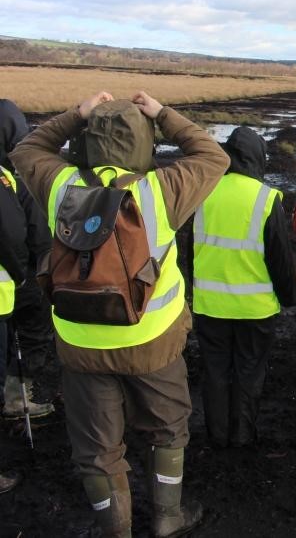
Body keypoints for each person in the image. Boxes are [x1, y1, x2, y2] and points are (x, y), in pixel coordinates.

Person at [11, 91, 229, 537]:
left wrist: (78, 114)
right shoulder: (161, 190)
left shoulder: (60, 186)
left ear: (86, 143)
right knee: (168, 431)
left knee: (96, 448)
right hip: (152, 341)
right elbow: (212, 154)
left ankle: (116, 529)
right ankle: (167, 517)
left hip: (81, 344)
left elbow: (26, 149)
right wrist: (164, 113)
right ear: (144, 142)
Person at [191, 126, 296, 448]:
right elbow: (281, 259)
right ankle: (242, 436)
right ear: (257, 159)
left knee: (215, 372)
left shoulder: (203, 193)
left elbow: (190, 250)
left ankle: (217, 435)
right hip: (255, 311)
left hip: (210, 307)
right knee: (249, 372)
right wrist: (288, 296)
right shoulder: (266, 198)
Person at [0, 99, 55, 419]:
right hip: (22, 274)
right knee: (32, 333)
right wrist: (29, 270)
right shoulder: (16, 172)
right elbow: (27, 228)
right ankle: (17, 398)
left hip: (15, 274)